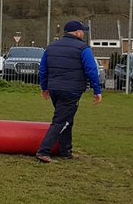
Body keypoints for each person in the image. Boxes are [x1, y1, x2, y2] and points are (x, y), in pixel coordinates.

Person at [36, 20, 103, 163]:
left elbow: (43, 69)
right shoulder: (83, 48)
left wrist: (44, 87)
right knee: (61, 121)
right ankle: (44, 151)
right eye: (82, 31)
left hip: (54, 89)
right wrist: (97, 90)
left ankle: (66, 151)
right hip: (71, 90)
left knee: (67, 120)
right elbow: (91, 70)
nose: (83, 34)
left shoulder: (51, 47)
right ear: (78, 32)